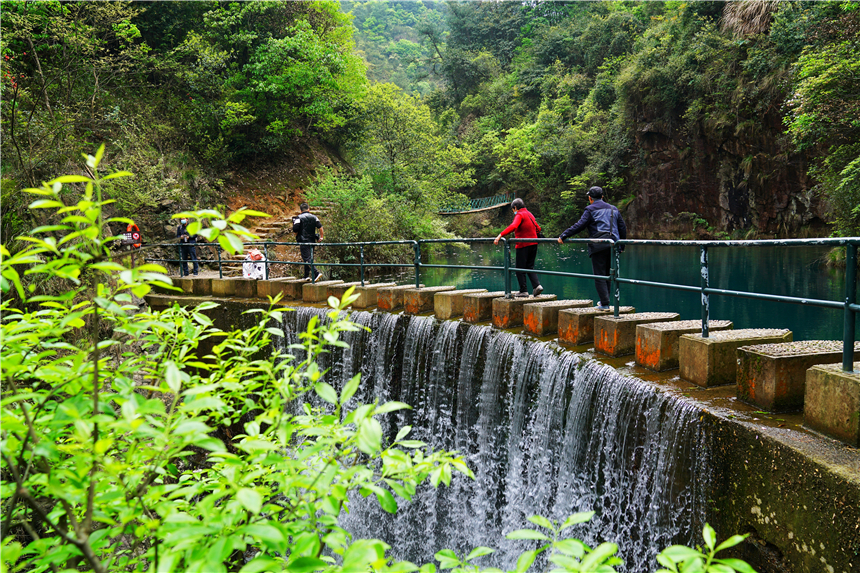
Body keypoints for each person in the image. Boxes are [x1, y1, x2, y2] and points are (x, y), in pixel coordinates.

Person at [557, 186, 627, 310]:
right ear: (602, 197)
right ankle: (605, 302)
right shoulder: (613, 209)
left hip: (598, 244)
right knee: (608, 274)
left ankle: (604, 303)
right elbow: (622, 228)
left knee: (599, 275)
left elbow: (580, 225)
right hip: (612, 245)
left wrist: (564, 235)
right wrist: (621, 246)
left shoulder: (590, 209)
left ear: (590, 198)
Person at [494, 198, 543, 297]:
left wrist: (500, 235)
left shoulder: (520, 214)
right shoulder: (530, 214)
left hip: (523, 245)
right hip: (534, 244)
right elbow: (538, 228)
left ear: (515, 207)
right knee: (529, 267)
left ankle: (523, 291)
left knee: (519, 269)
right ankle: (537, 286)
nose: (513, 212)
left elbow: (514, 226)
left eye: (513, 210)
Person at [293, 202, 324, 280]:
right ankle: (306, 276)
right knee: (309, 258)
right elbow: (320, 227)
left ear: (300, 210)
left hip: (303, 241)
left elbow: (295, 229)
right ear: (308, 209)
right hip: (312, 240)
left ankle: (316, 273)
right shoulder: (314, 217)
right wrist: (321, 237)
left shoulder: (298, 218)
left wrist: (296, 235)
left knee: (306, 258)